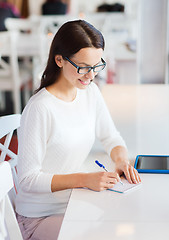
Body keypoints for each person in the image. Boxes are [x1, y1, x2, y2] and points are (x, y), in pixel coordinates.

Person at [15, 20, 141, 240]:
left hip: (73, 203)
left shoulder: (89, 92)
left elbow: (111, 137)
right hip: (38, 218)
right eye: (83, 67)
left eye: (96, 66)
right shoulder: (40, 108)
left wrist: (121, 161)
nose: (91, 76)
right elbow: (28, 179)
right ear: (59, 60)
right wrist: (84, 179)